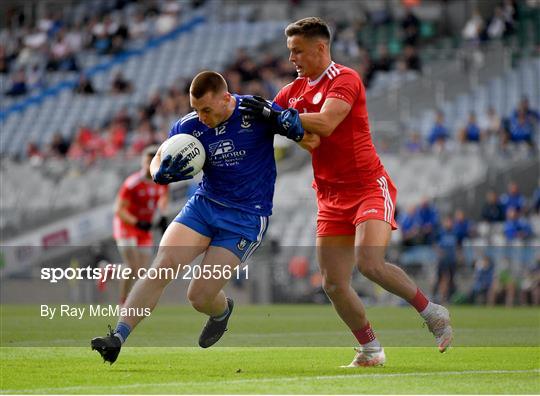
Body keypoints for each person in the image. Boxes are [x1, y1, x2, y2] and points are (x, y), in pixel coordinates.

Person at [241, 17, 452, 367]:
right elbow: (307, 138)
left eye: (297, 51)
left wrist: (281, 116)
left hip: (368, 186)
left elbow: (324, 122)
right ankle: (371, 350)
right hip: (329, 195)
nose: (291, 59)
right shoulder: (292, 91)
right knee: (334, 284)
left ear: (320, 48)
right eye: (289, 51)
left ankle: (432, 312)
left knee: (369, 263)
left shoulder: (345, 79)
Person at [91, 71, 302, 364]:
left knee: (199, 296)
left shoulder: (255, 112)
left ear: (227, 98)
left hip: (245, 218)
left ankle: (222, 310)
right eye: (196, 109)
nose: (201, 117)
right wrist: (157, 172)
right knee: (162, 265)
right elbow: (159, 155)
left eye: (206, 110)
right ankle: (118, 337)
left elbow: (305, 134)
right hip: (204, 206)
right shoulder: (190, 125)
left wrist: (287, 120)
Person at [110, 145, 169, 304]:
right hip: (126, 224)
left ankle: (108, 270)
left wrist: (162, 216)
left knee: (141, 271)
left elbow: (163, 199)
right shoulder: (132, 184)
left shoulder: (162, 181)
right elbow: (119, 209)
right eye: (147, 162)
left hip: (145, 227)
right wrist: (137, 222)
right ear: (143, 163)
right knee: (131, 266)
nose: (150, 167)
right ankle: (123, 303)